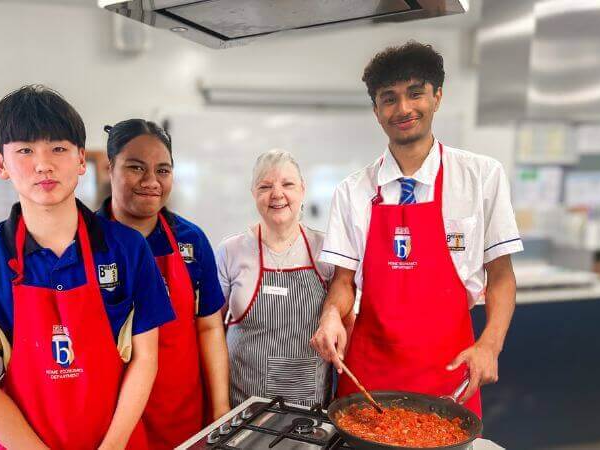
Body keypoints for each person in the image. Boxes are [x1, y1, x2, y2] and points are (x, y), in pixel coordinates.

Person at [0, 85, 173, 450]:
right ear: (1, 164)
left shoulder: (127, 249)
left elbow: (146, 358)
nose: (44, 164)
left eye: (58, 148)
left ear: (80, 158)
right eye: (25, 150)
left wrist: (113, 445)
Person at [310, 42, 522, 418]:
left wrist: (490, 345)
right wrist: (330, 316)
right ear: (376, 111)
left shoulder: (480, 177)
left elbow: (501, 276)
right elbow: (344, 282)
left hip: (451, 377)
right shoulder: (352, 191)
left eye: (415, 93)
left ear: (437, 97)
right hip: (368, 383)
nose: (403, 108)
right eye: (388, 98)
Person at [98, 119, 230, 449]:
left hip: (180, 413)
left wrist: (221, 408)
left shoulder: (190, 241)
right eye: (136, 167)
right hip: (108, 417)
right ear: (109, 167)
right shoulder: (84, 242)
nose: (151, 181)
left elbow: (209, 328)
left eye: (163, 170)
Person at [217, 149, 335, 407]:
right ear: (253, 194)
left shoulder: (325, 249)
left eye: (287, 184)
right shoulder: (231, 250)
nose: (277, 194)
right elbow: (212, 329)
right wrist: (219, 407)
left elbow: (341, 317)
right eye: (265, 186)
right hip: (243, 403)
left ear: (303, 190)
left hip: (307, 406)